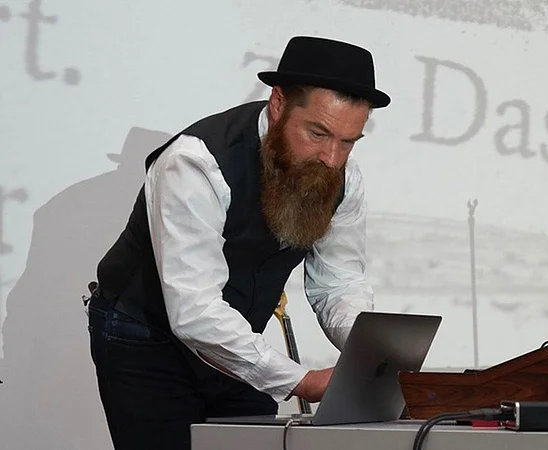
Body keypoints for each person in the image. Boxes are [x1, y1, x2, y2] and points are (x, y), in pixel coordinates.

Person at [86, 35, 391, 450]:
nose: (332, 158)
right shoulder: (195, 163)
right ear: (278, 103)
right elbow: (195, 310)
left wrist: (369, 354)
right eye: (318, 133)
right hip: (144, 335)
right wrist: (300, 380)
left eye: (348, 141)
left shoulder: (343, 177)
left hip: (233, 338)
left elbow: (338, 283)